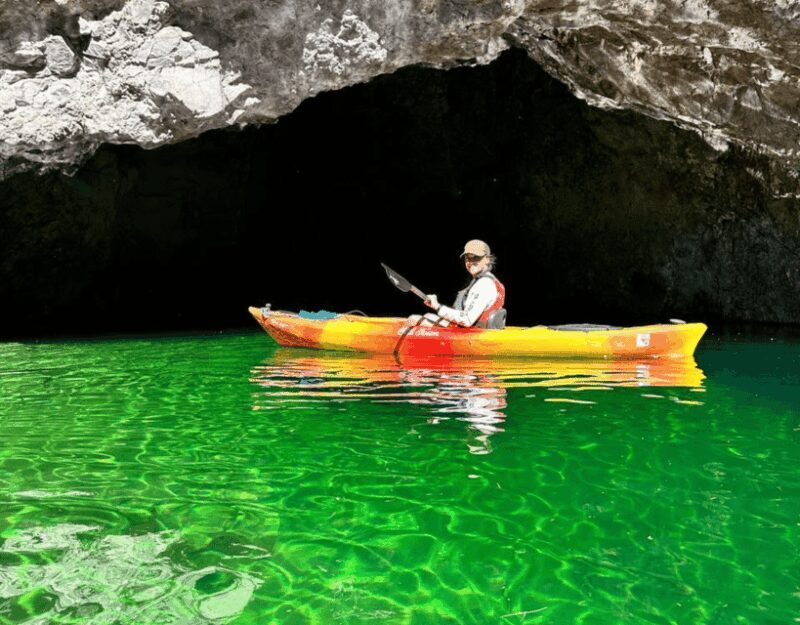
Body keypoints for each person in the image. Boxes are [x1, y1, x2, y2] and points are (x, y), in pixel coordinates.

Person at [423, 239, 506, 328]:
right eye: (467, 258)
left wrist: (438, 307)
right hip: (471, 332)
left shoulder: (484, 284)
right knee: (427, 316)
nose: (469, 262)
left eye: (475, 257)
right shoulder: (484, 280)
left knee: (414, 319)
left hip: (473, 336)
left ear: (487, 260)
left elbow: (467, 319)